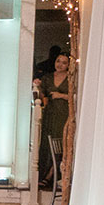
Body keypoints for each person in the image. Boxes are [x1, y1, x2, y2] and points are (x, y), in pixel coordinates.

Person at [38, 53, 70, 187]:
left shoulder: (71, 78)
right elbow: (42, 96)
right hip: (50, 114)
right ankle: (44, 174)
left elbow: (76, 96)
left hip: (64, 115)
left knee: (60, 144)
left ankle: (51, 175)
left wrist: (61, 95)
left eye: (64, 62)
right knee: (47, 143)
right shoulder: (48, 77)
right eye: (58, 61)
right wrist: (38, 86)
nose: (60, 65)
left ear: (68, 65)